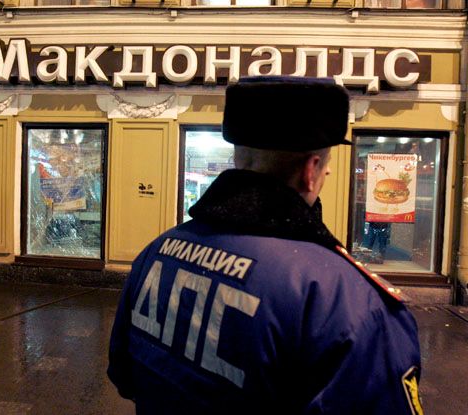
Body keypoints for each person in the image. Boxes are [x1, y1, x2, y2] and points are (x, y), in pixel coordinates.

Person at [108, 77, 423, 414]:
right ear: (311, 170)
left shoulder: (158, 251)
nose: (327, 174)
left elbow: (124, 375)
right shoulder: (348, 302)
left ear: (239, 155)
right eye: (327, 163)